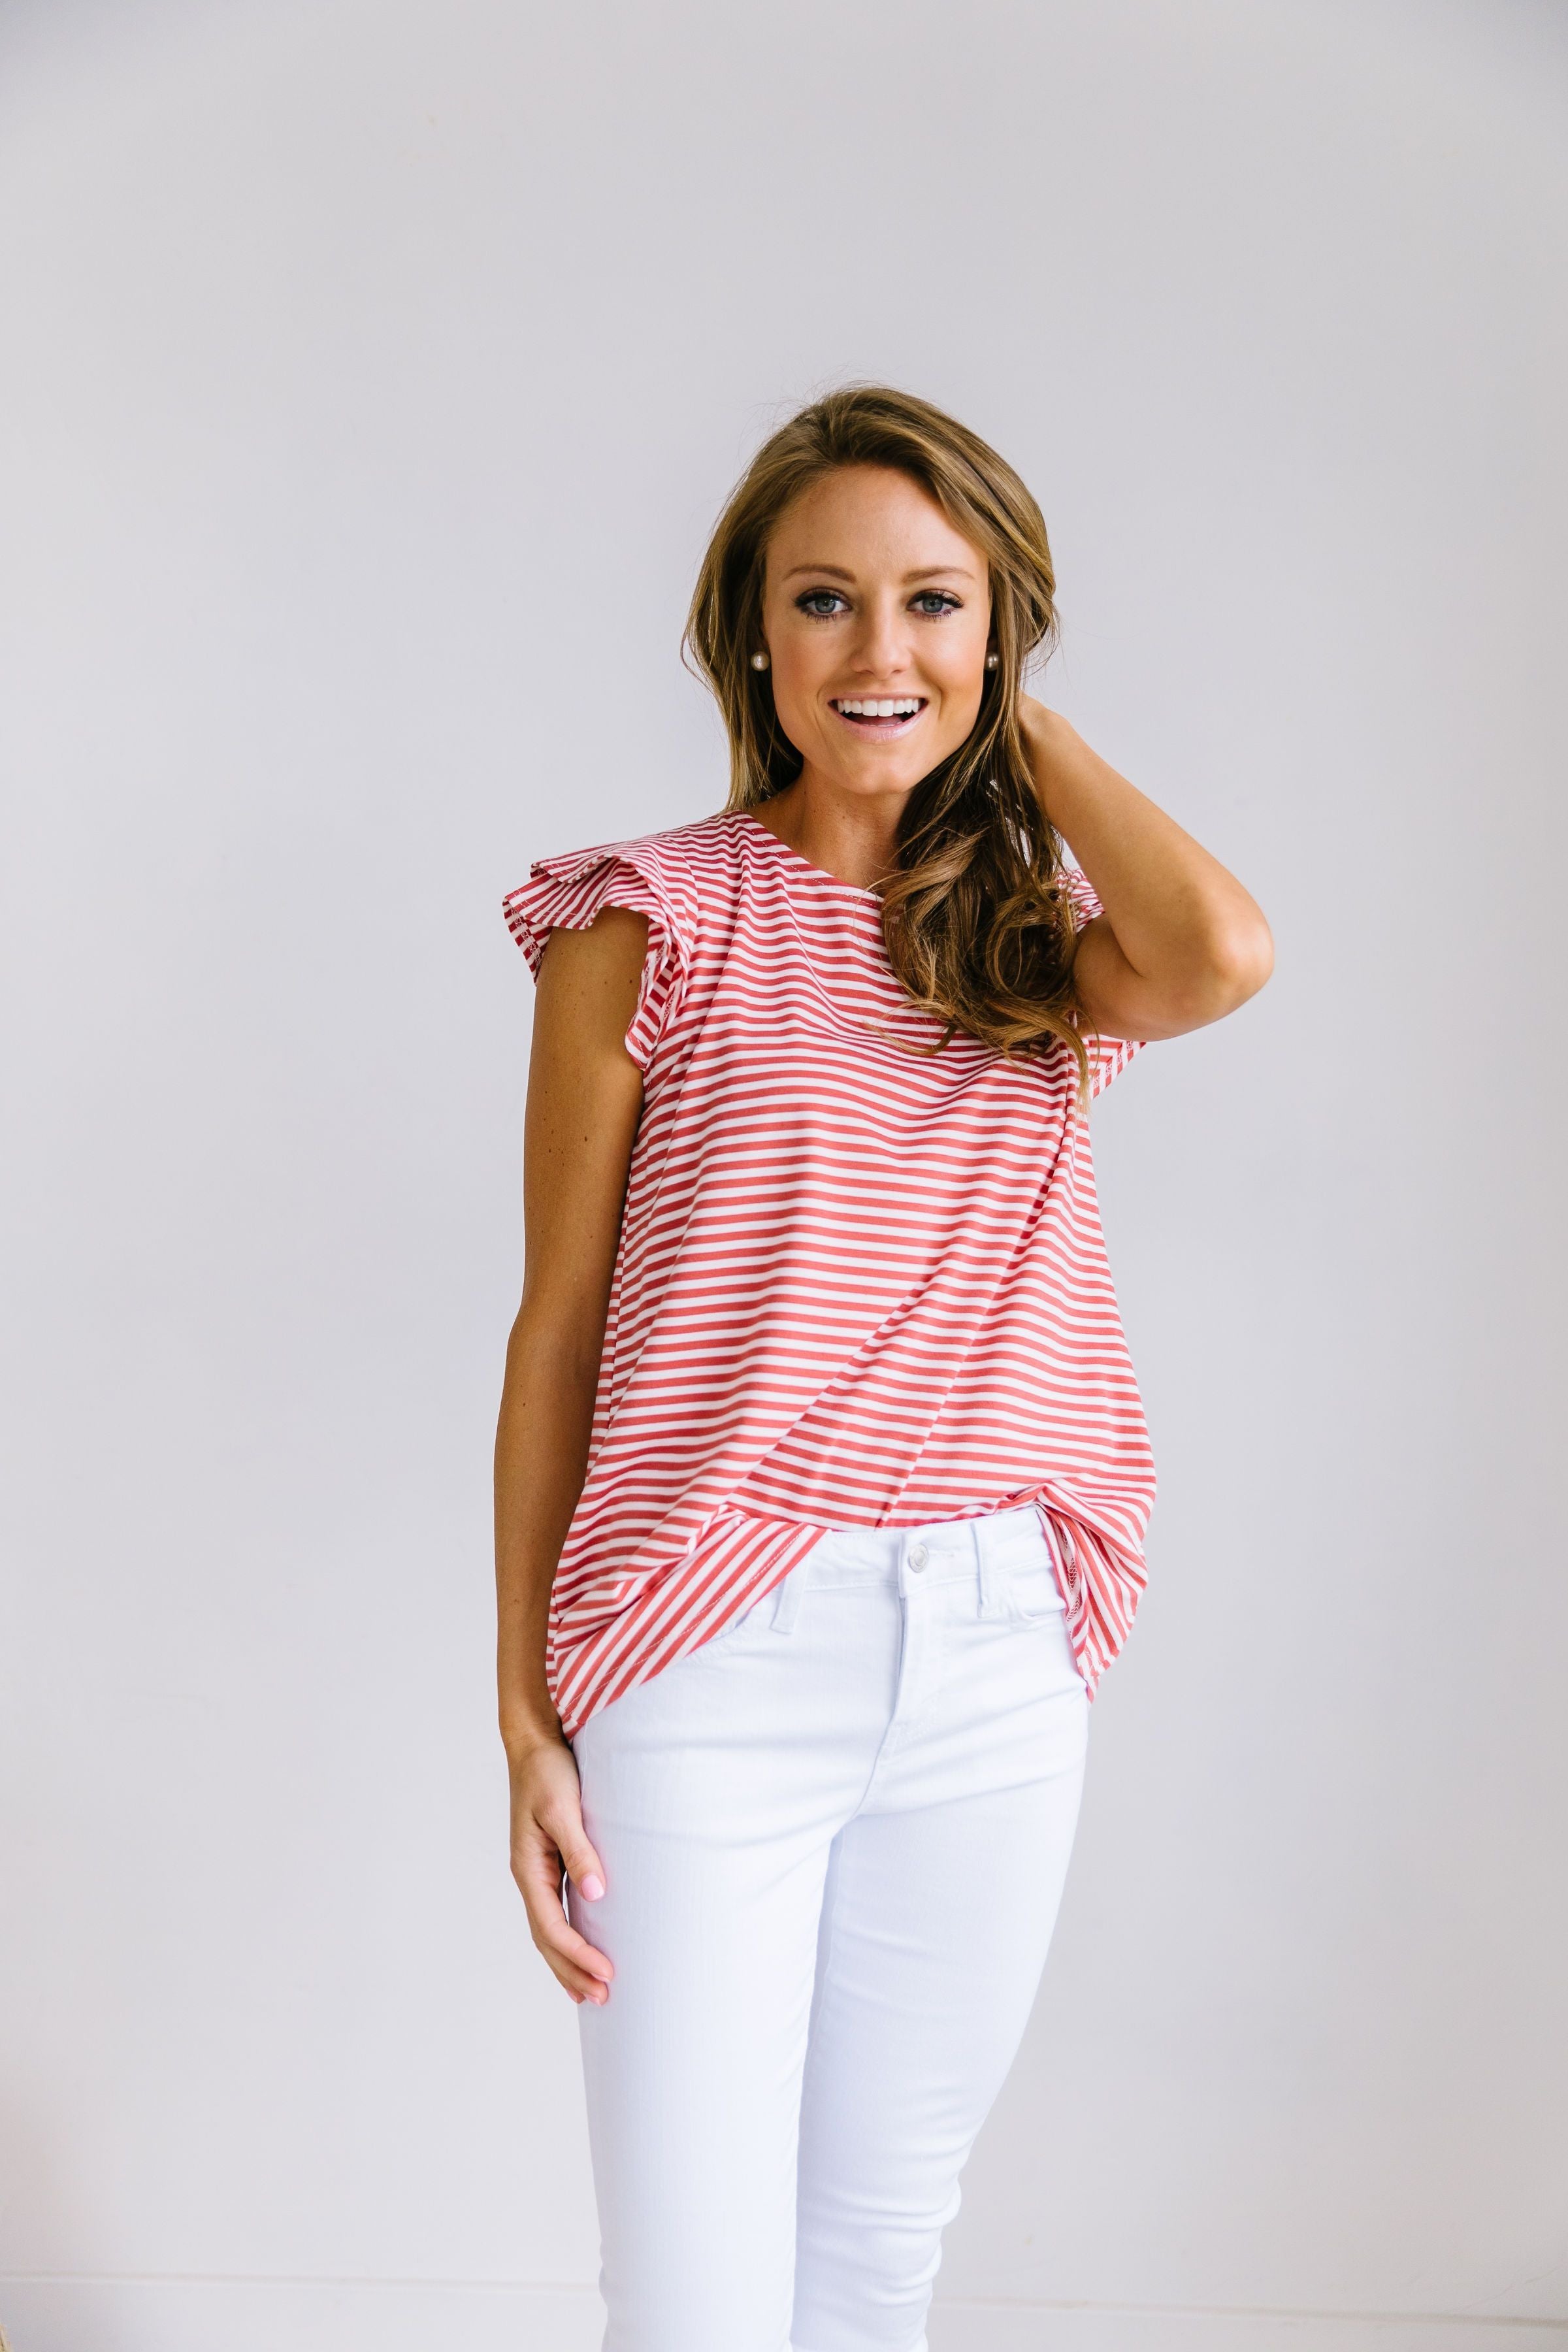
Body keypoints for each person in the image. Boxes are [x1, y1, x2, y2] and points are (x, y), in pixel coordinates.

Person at [493, 385, 1272, 2352]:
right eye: (825, 601)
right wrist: (523, 1711)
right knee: (693, 2301)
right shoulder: (650, 914)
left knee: (874, 2270)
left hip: (1001, 1648)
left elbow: (1227, 953)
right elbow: (559, 1324)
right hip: (710, 1643)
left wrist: (1012, 726)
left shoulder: (1033, 939)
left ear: (1000, 629)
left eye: (936, 603)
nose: (879, 650)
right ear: (754, 633)